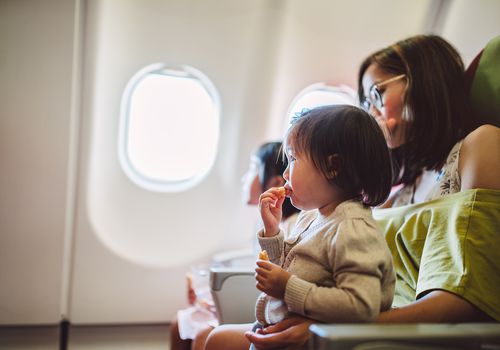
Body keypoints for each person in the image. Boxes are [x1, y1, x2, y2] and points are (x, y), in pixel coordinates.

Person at [205, 34, 500, 350]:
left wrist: (326, 328)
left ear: (424, 81)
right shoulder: (403, 184)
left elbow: (462, 297)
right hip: (350, 314)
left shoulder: (480, 146)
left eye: (378, 93)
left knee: (219, 342)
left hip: (398, 328)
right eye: (365, 101)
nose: (371, 111)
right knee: (211, 339)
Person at [208, 105, 396, 350]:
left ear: (333, 167)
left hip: (321, 344)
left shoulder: (352, 229)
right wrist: (273, 231)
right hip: (284, 334)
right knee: (215, 339)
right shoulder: (312, 218)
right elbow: (289, 266)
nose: (285, 173)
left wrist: (287, 287)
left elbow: (361, 306)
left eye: (293, 159)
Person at [170, 141, 300, 350]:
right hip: (256, 300)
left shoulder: (290, 227)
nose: (244, 178)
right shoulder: (267, 222)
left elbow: (277, 278)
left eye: (251, 169)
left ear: (275, 182)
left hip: (268, 306)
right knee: (178, 324)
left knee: (204, 334)